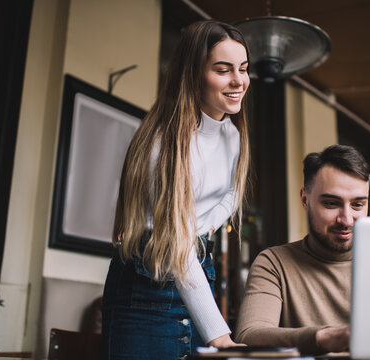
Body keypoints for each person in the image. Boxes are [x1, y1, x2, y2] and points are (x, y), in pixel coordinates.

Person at [102, 20, 250, 360]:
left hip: (199, 270)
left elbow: (232, 191)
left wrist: (207, 225)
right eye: (223, 70)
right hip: (147, 281)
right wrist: (220, 336)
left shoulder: (233, 135)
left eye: (243, 69)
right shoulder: (162, 142)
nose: (238, 81)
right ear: (193, 73)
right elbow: (176, 246)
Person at [235, 144, 370, 356]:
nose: (346, 219)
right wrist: (322, 338)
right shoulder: (274, 263)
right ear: (305, 200)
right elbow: (249, 335)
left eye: (357, 205)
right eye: (331, 203)